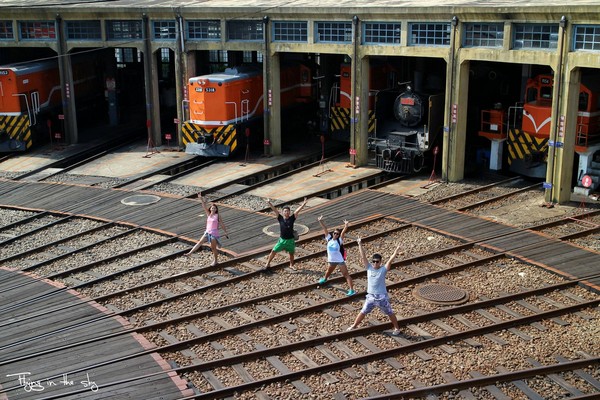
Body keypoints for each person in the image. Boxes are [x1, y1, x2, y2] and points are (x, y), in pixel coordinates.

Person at [347, 237, 402, 335]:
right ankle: (354, 326)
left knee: (390, 312)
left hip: (382, 297)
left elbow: (390, 260)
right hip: (371, 297)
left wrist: (396, 251)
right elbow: (363, 256)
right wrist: (359, 244)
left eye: (377, 261)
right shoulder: (369, 268)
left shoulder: (383, 269)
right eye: (373, 261)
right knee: (363, 311)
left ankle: (397, 328)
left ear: (380, 262)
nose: (375, 263)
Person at [264, 197, 308, 271]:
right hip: (282, 240)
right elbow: (275, 210)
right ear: (282, 212)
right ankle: (267, 263)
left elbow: (297, 211)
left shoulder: (292, 218)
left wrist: (303, 204)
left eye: (288, 211)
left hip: (290, 240)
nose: (286, 212)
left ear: (289, 212)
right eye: (285, 211)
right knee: (273, 251)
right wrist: (269, 203)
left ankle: (291, 265)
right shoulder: (280, 218)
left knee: (291, 254)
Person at [185, 195, 229, 266]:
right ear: (210, 209)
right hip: (207, 232)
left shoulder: (217, 216)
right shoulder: (208, 215)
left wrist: (225, 232)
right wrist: (201, 199)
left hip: (214, 233)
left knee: (213, 248)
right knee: (199, 242)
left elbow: (222, 224)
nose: (213, 209)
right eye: (212, 208)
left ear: (216, 210)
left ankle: (215, 261)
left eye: (214, 208)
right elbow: (204, 206)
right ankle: (190, 253)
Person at [317, 216, 355, 296]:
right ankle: (324, 279)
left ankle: (351, 290)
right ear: (332, 233)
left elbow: (343, 232)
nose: (335, 235)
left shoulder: (339, 240)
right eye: (334, 233)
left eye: (337, 234)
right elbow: (325, 229)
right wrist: (320, 221)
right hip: (331, 260)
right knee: (328, 271)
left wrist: (346, 225)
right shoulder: (329, 239)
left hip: (339, 260)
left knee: (346, 275)